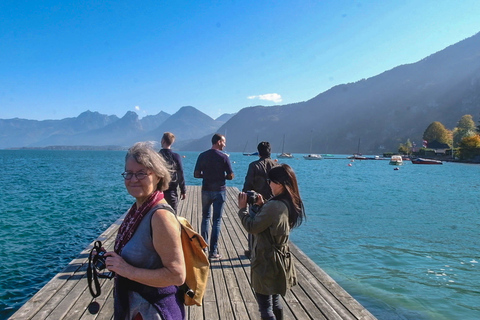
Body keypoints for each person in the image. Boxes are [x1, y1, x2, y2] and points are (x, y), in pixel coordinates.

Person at [105, 142, 186, 320]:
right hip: (138, 308)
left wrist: (126, 270)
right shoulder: (138, 210)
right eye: (129, 173)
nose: (133, 179)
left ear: (157, 176)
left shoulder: (160, 217)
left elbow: (177, 275)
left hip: (155, 310)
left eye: (141, 173)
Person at [237, 164, 305, 320]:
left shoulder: (274, 205)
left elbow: (252, 227)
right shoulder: (288, 202)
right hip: (280, 260)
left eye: (270, 181)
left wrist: (242, 210)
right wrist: (262, 206)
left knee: (265, 307)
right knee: (275, 301)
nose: (269, 184)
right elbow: (273, 222)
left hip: (266, 261)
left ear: (279, 183)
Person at [194, 133, 234, 259]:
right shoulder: (224, 157)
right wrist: (224, 177)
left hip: (206, 190)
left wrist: (205, 176)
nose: (225, 144)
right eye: (223, 142)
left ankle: (203, 248)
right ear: (218, 142)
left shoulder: (202, 155)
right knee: (216, 220)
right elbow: (231, 175)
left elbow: (196, 174)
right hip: (219, 191)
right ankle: (213, 251)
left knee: (205, 218)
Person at [242, 141, 278, 258]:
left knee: (253, 227)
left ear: (259, 152)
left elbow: (248, 184)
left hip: (257, 200)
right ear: (270, 151)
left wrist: (245, 198)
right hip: (272, 201)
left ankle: (252, 251)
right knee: (271, 227)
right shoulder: (275, 165)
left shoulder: (254, 166)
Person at [159, 132, 186, 212]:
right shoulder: (176, 156)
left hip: (158, 191)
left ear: (163, 141)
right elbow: (180, 174)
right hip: (171, 191)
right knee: (172, 216)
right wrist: (183, 190)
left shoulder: (156, 156)